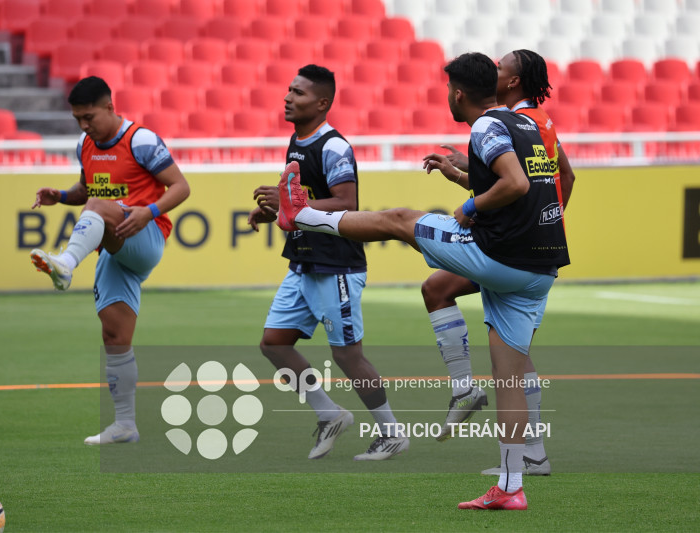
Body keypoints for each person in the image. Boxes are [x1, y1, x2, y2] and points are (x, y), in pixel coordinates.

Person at [276, 53, 569, 509]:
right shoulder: (532, 124)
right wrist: (468, 180)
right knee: (509, 375)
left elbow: (514, 184)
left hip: (498, 256)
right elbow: (548, 181)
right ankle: (512, 485)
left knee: (400, 220)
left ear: (457, 93)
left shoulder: (488, 125)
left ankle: (305, 215)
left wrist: (469, 209)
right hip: (540, 269)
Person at [421, 49, 576, 478]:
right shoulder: (539, 122)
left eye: (501, 66)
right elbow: (562, 178)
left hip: (510, 248)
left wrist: (527, 223)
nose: (494, 69)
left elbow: (520, 185)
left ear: (511, 82)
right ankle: (535, 452)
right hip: (530, 246)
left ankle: (465, 391)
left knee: (438, 289)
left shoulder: (516, 122)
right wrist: (548, 220)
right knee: (515, 352)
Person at [247, 64, 408, 461]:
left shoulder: (334, 146)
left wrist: (288, 203)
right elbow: (298, 203)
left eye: (298, 93)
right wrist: (274, 211)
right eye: (289, 90)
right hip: (302, 262)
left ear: (321, 103)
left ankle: (392, 433)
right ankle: (329, 413)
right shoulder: (296, 141)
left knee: (347, 355)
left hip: (336, 267)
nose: (288, 97)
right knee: (274, 343)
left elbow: (345, 203)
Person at [29, 76, 190, 445]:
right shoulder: (86, 144)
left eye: (89, 117)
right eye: (77, 120)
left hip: (144, 237)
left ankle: (67, 264)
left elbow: (181, 187)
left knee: (99, 207)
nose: (84, 125)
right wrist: (62, 195)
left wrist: (148, 212)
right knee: (115, 337)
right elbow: (87, 190)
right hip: (113, 248)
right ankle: (125, 425)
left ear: (109, 107)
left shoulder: (141, 140)